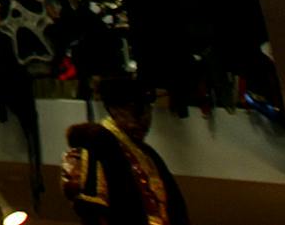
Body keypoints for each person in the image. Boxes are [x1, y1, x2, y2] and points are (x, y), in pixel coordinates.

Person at [62, 76, 190, 224]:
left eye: (149, 109)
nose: (146, 118)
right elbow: (93, 212)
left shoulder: (147, 153)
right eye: (137, 110)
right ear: (114, 110)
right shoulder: (97, 145)